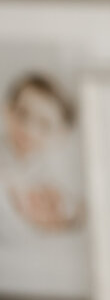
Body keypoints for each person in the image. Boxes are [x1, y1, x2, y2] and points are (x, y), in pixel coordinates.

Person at [0, 73, 84, 235]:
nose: (29, 128)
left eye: (44, 124)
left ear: (62, 135)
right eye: (22, 113)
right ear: (7, 110)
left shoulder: (50, 184)